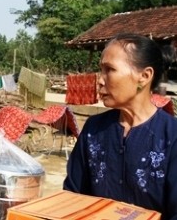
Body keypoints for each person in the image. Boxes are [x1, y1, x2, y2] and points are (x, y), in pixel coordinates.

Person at [63, 33, 177, 220]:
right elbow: (72, 195)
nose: (100, 80)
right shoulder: (94, 129)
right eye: (101, 70)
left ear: (144, 76)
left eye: (110, 70)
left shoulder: (172, 136)